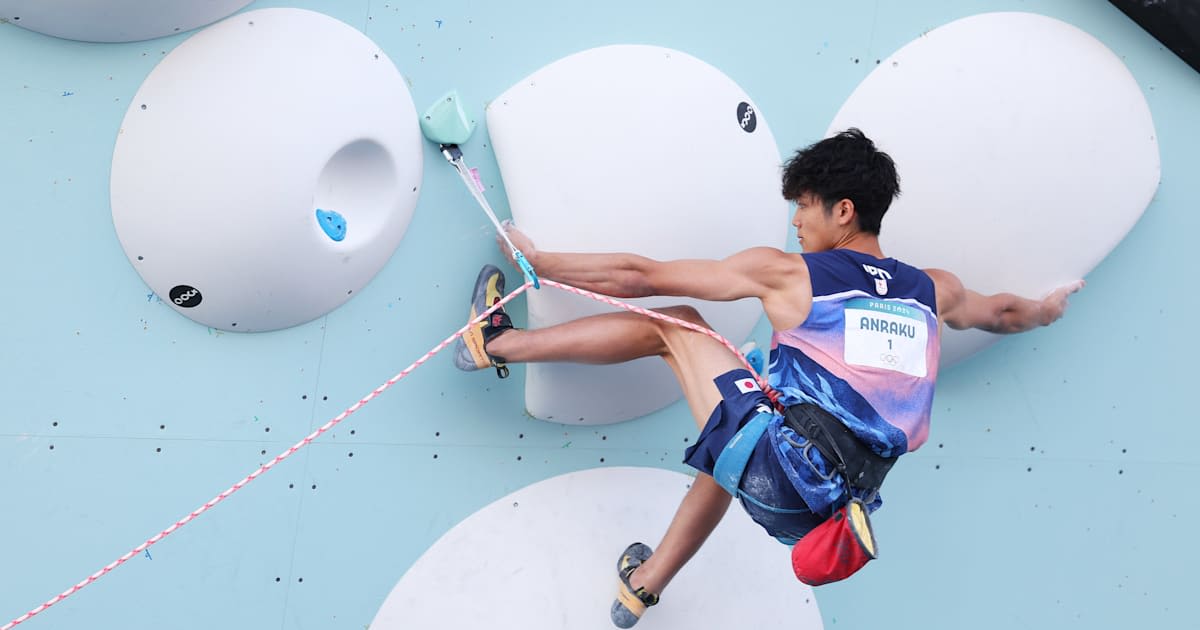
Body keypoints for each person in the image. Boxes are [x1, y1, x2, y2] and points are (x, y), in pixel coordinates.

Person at [452, 128, 1084, 628]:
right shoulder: (930, 290)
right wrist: (1047, 311)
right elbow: (1001, 312)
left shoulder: (790, 274)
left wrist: (539, 260)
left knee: (679, 324)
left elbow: (641, 276)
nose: (795, 223)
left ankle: (496, 340)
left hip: (787, 471)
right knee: (741, 422)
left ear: (843, 210)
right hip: (825, 511)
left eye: (803, 207)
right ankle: (641, 589)